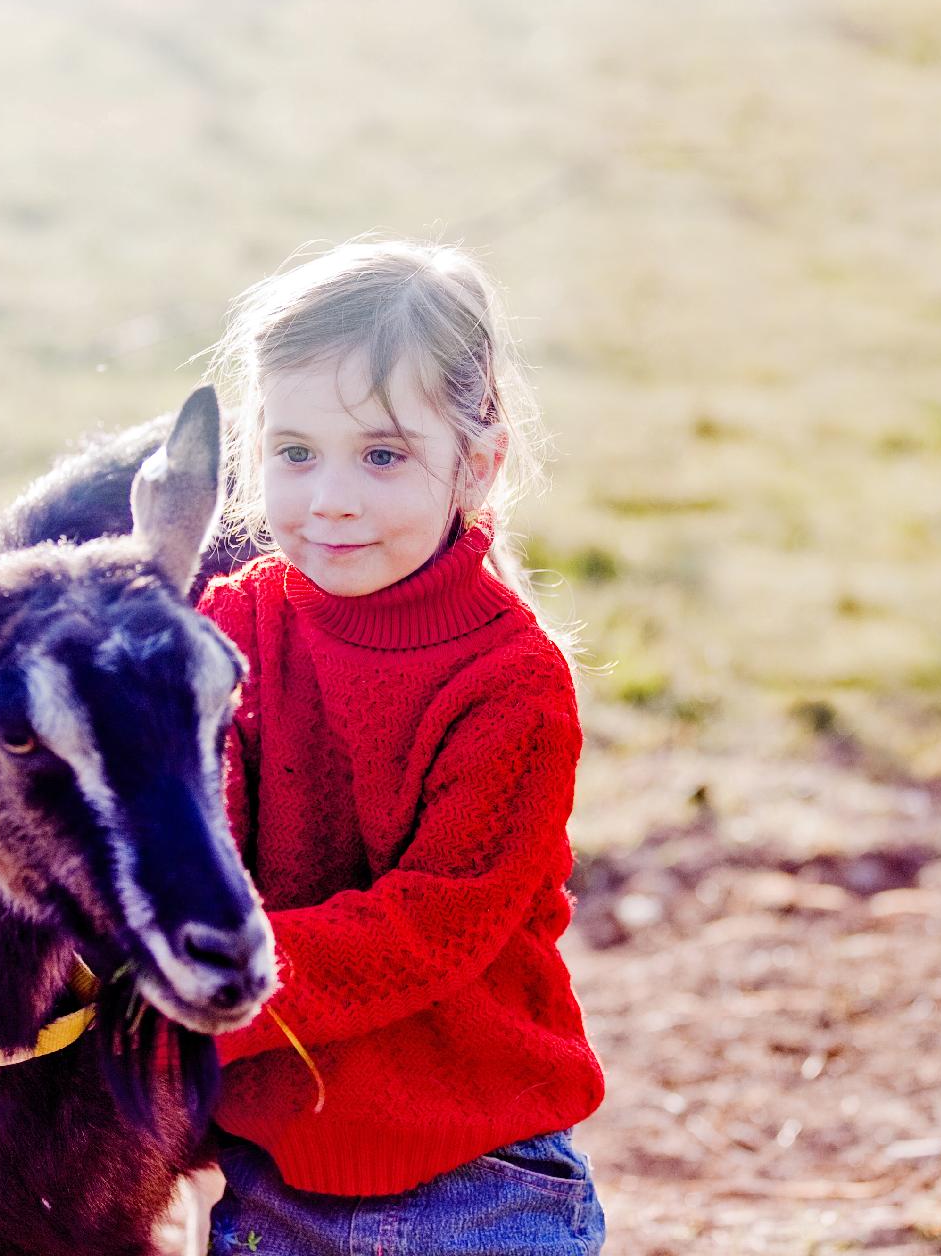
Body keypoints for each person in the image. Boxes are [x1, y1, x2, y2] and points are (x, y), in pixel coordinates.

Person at [191, 236, 607, 1255]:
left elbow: (432, 924)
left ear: (478, 460)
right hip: (271, 1184)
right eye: (295, 451)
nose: (331, 496)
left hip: (478, 1186)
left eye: (382, 455)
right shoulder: (230, 631)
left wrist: (207, 988)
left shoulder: (513, 681)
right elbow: (190, 838)